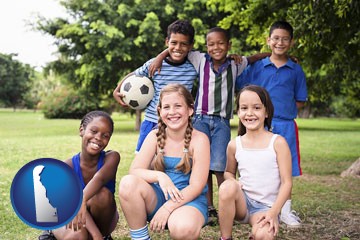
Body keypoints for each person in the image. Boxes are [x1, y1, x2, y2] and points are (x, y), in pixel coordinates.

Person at [149, 27, 269, 224]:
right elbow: (177, 48)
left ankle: (226, 205)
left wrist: (276, 55)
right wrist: (160, 57)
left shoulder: (236, 64)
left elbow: (255, 58)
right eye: (211, 44)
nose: (216, 47)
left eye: (221, 43)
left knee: (220, 165)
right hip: (200, 118)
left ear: (229, 45)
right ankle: (209, 205)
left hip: (222, 121)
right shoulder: (200, 59)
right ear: (206, 46)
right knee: (201, 165)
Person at [237, 20, 307, 227]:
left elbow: (300, 99)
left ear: (291, 42)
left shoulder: (295, 69)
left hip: (285, 125)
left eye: (285, 39)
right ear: (269, 40)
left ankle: (285, 211)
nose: (280, 42)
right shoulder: (257, 66)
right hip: (259, 124)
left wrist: (282, 112)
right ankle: (253, 206)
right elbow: (242, 89)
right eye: (276, 38)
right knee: (258, 165)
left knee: (287, 167)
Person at [118, 84, 210, 240]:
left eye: (178, 106)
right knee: (128, 183)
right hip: (158, 197)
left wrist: (168, 208)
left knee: (183, 230)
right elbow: (135, 170)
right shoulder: (154, 136)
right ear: (160, 112)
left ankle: (179, 220)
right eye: (166, 107)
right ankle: (141, 238)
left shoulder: (200, 140)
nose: (172, 112)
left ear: (190, 110)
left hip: (188, 201)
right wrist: (161, 177)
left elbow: (196, 186)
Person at [218, 85, 292, 240]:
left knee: (264, 236)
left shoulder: (278, 143)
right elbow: (229, 172)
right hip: (242, 204)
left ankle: (257, 232)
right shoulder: (234, 144)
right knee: (226, 187)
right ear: (238, 112)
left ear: (266, 112)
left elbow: (287, 183)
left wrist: (273, 212)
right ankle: (225, 237)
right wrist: (233, 182)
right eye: (244, 108)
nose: (249, 113)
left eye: (257, 108)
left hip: (265, 208)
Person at [113, 19, 197, 153]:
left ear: (191, 45)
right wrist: (117, 90)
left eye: (184, 44)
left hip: (178, 123)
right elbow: (135, 74)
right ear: (166, 42)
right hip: (152, 121)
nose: (178, 48)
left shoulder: (194, 66)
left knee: (172, 161)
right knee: (144, 160)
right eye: (174, 43)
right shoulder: (155, 64)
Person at [38, 111, 120, 240]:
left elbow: (100, 178)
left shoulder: (112, 157)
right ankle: (51, 233)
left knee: (102, 194)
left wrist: (82, 199)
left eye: (105, 135)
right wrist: (95, 235)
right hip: (73, 214)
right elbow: (71, 205)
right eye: (93, 131)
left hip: (102, 220)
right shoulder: (67, 167)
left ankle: (103, 236)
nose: (98, 137)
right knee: (78, 235)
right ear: (81, 130)